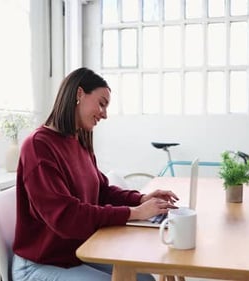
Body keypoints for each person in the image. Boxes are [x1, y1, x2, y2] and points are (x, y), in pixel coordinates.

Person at [12, 67, 178, 281]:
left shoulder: (79, 142)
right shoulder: (38, 146)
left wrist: (142, 199)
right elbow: (66, 217)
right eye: (101, 103)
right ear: (79, 94)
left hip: (78, 251)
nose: (105, 114)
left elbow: (102, 191)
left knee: (145, 279)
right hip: (40, 263)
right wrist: (134, 212)